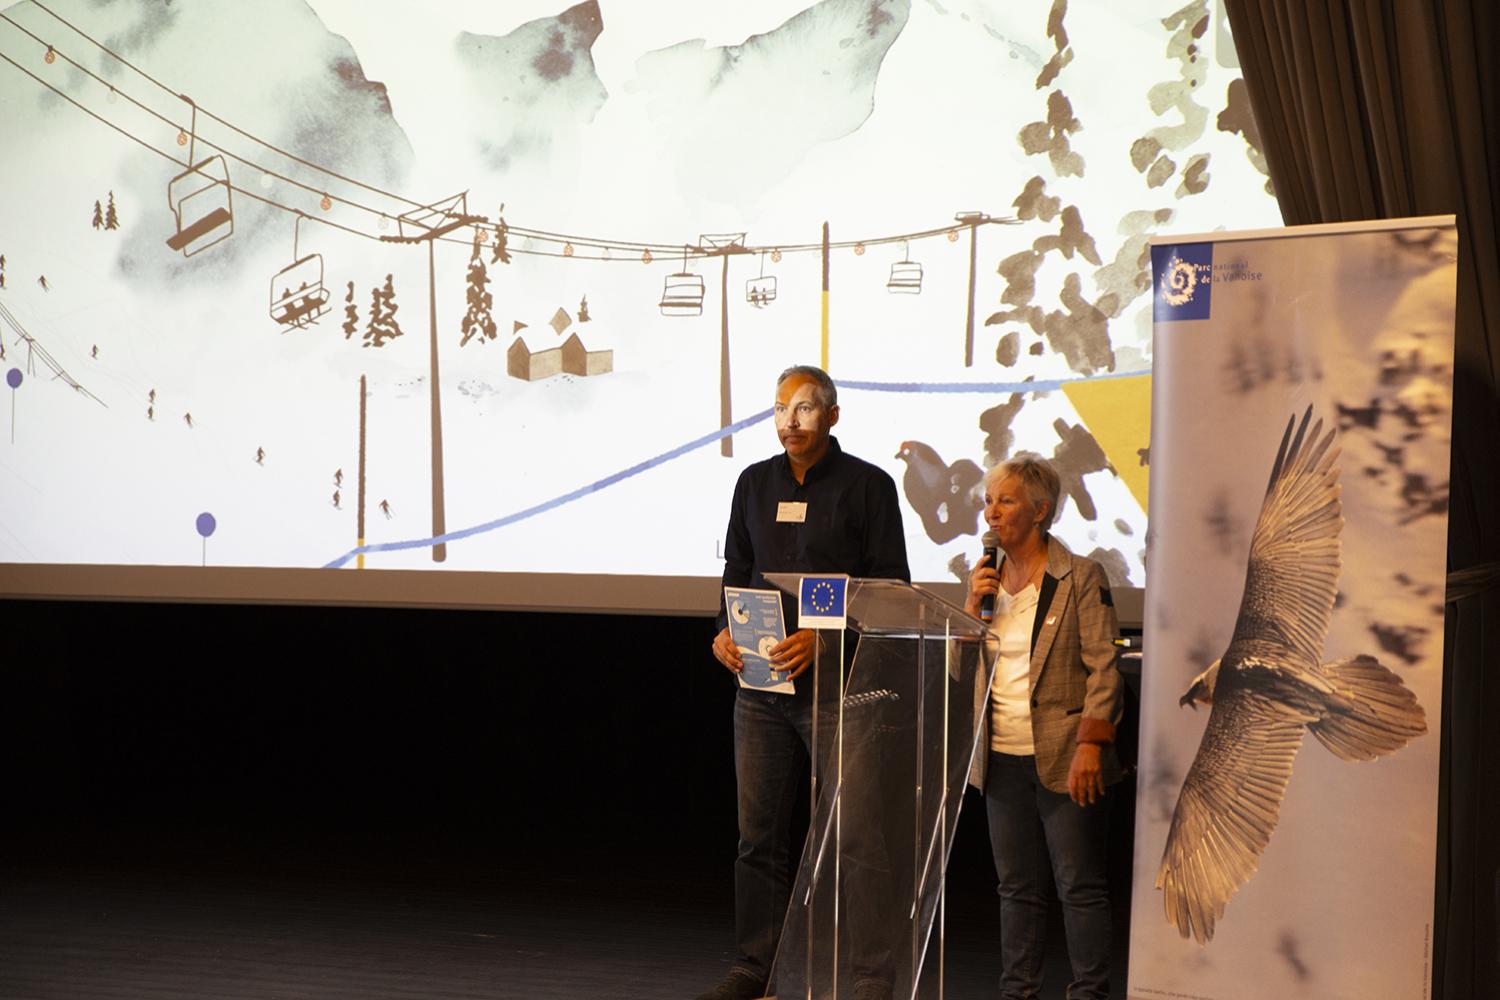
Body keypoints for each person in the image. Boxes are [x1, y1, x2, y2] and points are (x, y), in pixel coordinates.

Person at [700, 365, 910, 1000]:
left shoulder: (868, 486)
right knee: (757, 835)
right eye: (781, 409)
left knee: (856, 835)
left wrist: (826, 639)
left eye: (805, 409)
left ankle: (871, 976)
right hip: (760, 688)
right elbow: (738, 570)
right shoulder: (753, 483)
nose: (791, 421)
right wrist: (723, 630)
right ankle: (752, 966)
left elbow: (890, 588)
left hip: (837, 689)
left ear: (833, 416)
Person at [965, 455, 1123, 1000]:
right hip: (1001, 754)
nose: (992, 512)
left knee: (1078, 887)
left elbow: (1105, 667)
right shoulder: (985, 580)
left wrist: (1091, 746)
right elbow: (965, 671)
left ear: (1040, 511)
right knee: (1016, 889)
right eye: (988, 501)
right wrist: (969, 608)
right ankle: (1019, 993)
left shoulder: (1080, 576)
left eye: (1004, 501)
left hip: (1065, 755)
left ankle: (1089, 993)